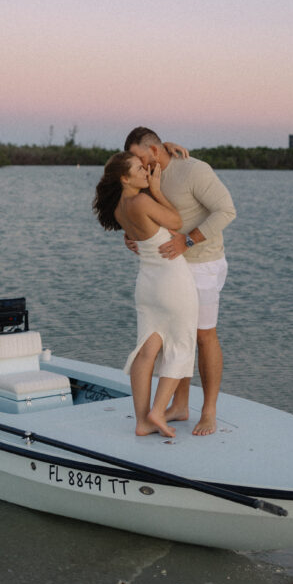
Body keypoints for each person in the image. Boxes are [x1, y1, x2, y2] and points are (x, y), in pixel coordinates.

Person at [124, 127, 236, 436]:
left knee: (203, 336)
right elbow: (142, 213)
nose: (138, 164)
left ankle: (209, 410)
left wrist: (189, 241)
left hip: (203, 263)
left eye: (140, 158)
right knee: (175, 336)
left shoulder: (194, 170)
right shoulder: (149, 175)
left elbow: (226, 211)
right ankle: (179, 405)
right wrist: (132, 235)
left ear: (155, 151)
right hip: (169, 270)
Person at [93, 152, 198, 438]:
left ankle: (142, 421)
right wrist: (157, 191)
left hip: (148, 284)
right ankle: (158, 410)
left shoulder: (119, 208)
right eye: (139, 169)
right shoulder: (141, 200)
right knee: (182, 344)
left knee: (146, 351)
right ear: (124, 178)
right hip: (172, 280)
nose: (145, 171)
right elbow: (176, 221)